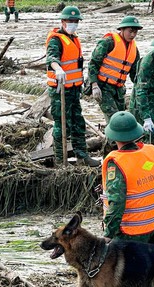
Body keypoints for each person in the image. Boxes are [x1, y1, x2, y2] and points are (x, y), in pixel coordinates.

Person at [101, 111, 154, 244]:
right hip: (152, 229)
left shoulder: (117, 163)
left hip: (128, 235)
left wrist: (108, 234)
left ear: (113, 136)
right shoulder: (153, 153)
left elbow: (117, 202)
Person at [46, 6, 100, 167]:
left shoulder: (74, 38)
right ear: (63, 22)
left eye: (76, 21)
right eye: (70, 21)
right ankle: (60, 160)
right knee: (62, 124)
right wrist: (58, 69)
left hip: (74, 89)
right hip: (61, 90)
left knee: (78, 122)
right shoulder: (56, 39)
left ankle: (82, 156)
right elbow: (51, 58)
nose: (73, 24)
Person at [88, 16, 142, 124]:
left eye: (135, 32)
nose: (133, 35)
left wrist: (142, 87)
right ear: (121, 29)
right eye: (130, 31)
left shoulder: (134, 49)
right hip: (103, 87)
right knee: (115, 120)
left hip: (119, 91)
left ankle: (112, 140)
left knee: (121, 118)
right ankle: (114, 141)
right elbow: (93, 64)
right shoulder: (108, 42)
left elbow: (134, 73)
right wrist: (94, 85)